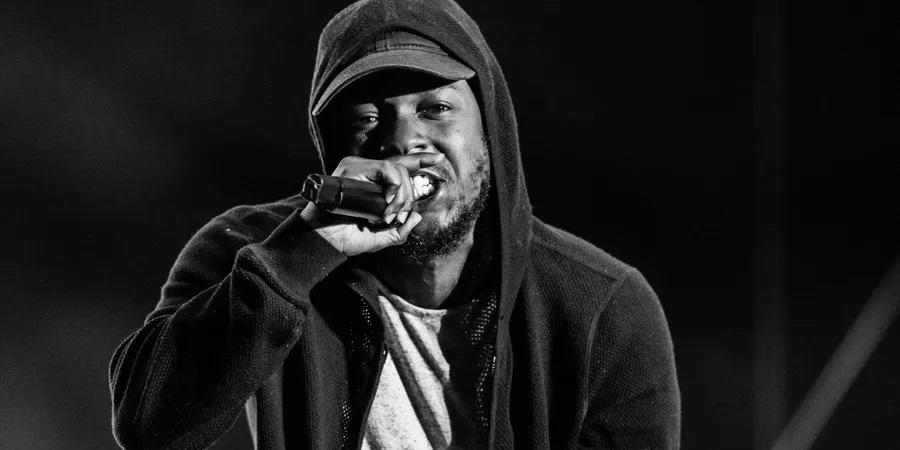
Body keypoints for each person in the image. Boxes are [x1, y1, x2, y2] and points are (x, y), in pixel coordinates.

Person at [108, 0, 681, 448]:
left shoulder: (601, 307)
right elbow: (148, 427)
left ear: (490, 128)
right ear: (330, 146)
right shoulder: (255, 251)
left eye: (436, 109)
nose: (403, 141)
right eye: (367, 117)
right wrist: (301, 254)